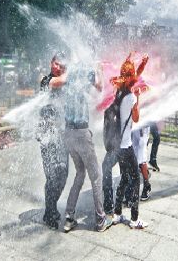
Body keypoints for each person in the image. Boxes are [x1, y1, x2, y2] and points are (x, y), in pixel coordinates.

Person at [58, 61, 113, 233]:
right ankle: (100, 219)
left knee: (80, 174)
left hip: (68, 134)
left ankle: (69, 217)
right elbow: (99, 87)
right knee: (95, 176)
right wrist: (99, 71)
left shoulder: (66, 79)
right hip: (82, 133)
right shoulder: (83, 73)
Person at [102, 53, 148, 226]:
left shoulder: (119, 92)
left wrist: (139, 64)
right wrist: (138, 101)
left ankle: (117, 212)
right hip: (125, 146)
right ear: (131, 75)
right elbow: (136, 119)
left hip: (115, 145)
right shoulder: (131, 97)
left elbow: (133, 77)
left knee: (124, 178)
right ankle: (135, 219)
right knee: (135, 179)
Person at [36, 54, 69, 230]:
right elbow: (59, 82)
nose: (58, 66)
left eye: (61, 64)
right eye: (56, 63)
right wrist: (73, 71)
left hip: (62, 136)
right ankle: (49, 213)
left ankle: (52, 206)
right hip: (47, 135)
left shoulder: (65, 83)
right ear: (51, 63)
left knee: (63, 174)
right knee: (51, 176)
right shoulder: (46, 80)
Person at [131, 126, 152, 201]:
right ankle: (131, 189)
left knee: (142, 160)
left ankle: (146, 185)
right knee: (133, 156)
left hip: (143, 130)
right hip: (135, 128)